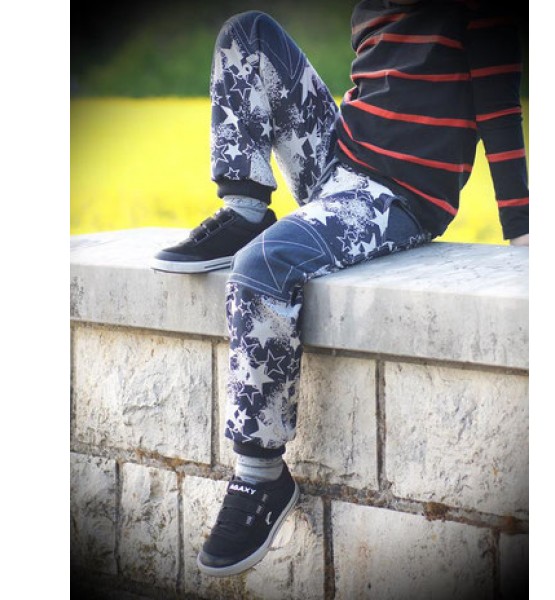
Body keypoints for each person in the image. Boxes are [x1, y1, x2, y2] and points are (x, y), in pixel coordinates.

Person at [151, 0, 529, 577]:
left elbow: (498, 101)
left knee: (262, 267)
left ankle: (261, 477)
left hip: (397, 196)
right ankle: (245, 208)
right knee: (248, 32)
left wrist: (522, 227)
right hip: (337, 163)